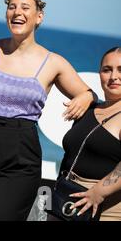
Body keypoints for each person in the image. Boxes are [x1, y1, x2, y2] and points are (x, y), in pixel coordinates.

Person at [0, 0, 97, 221]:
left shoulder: (53, 62)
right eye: (12, 7)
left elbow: (87, 93)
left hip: (20, 154)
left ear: (39, 16)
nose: (17, 12)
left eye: (25, 7)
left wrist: (86, 96)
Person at [52, 46, 121, 221]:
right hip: (65, 198)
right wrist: (90, 95)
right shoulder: (89, 108)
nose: (113, 77)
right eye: (107, 70)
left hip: (104, 207)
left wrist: (99, 192)